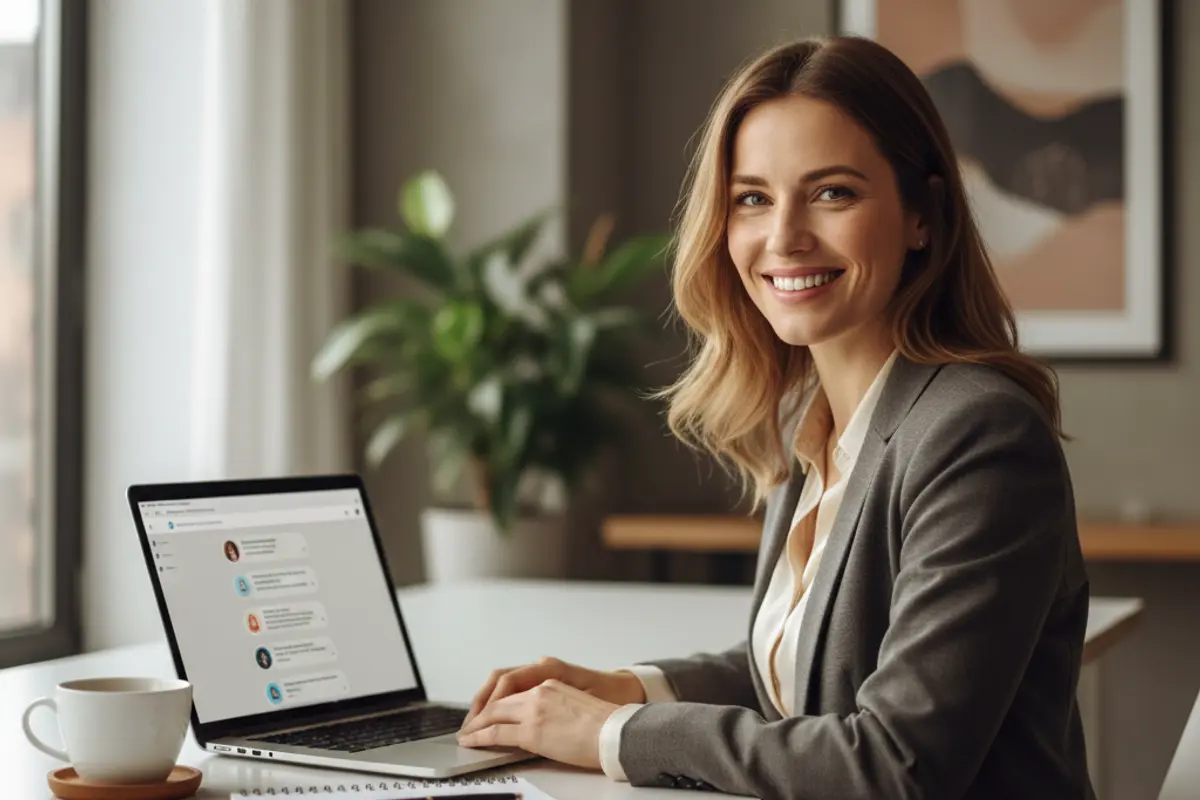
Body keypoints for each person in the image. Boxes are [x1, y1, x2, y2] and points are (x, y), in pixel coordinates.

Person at [456, 34, 1093, 799]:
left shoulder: (976, 433)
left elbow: (895, 764)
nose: (783, 237)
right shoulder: (818, 421)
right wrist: (624, 689)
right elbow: (803, 676)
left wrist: (606, 735)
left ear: (922, 215)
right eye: (752, 198)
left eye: (833, 193)